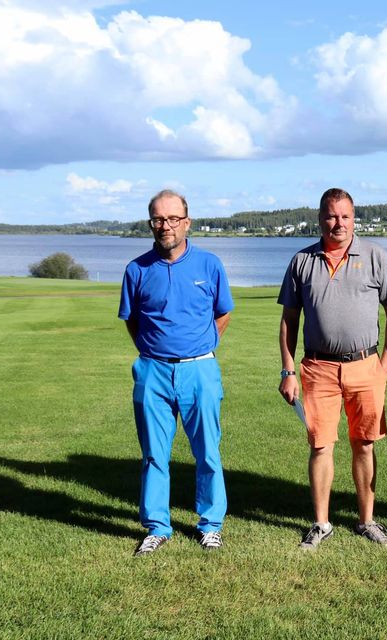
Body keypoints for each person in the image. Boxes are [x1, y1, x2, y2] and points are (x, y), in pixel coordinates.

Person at [278, 188, 387, 550]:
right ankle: (321, 523)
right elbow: (289, 321)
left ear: (354, 218)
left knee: (364, 444)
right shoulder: (302, 261)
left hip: (365, 366)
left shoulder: (376, 256)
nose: (339, 223)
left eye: (345, 216)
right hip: (318, 368)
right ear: (320, 219)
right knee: (321, 446)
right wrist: (288, 370)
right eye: (332, 216)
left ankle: (367, 521)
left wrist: (385, 364)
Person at [119, 189, 234, 557]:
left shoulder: (209, 265)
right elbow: (132, 320)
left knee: (208, 452)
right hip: (152, 372)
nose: (165, 225)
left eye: (172, 218)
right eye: (158, 219)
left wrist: (201, 346)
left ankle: (210, 525)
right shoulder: (137, 269)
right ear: (150, 223)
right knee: (154, 454)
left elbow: (223, 313)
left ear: (187, 222)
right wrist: (154, 352)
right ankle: (157, 527)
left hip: (199, 370)